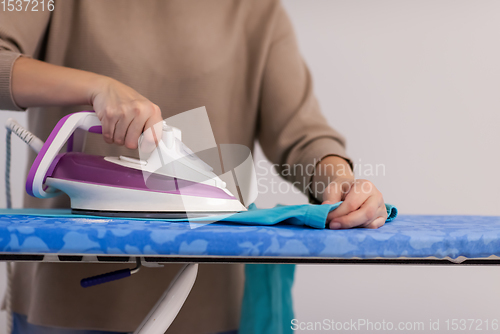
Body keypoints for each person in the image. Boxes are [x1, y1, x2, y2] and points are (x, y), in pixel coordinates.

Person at [0, 1, 387, 333]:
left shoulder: (256, 10)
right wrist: (98, 88)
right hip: (62, 301)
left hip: (207, 307)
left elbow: (303, 138)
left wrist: (340, 182)